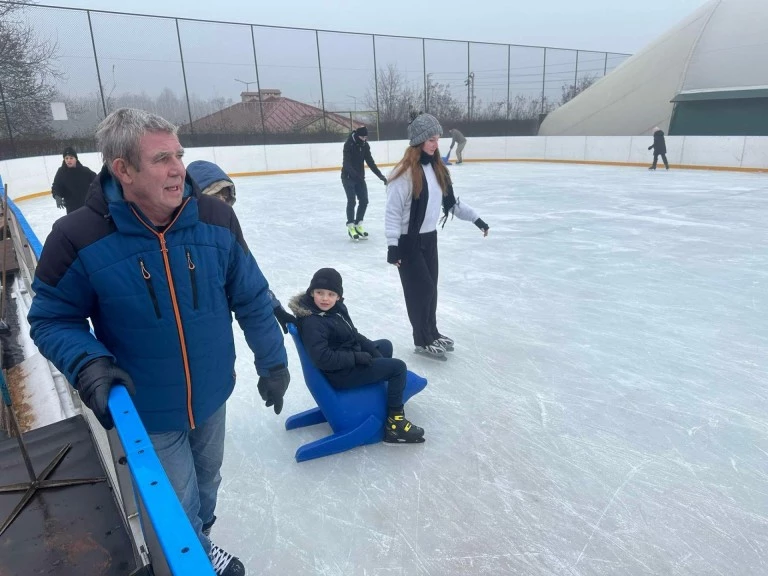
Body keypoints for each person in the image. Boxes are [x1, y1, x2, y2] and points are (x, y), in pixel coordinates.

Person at [28, 108, 292, 576]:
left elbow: (251, 296)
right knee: (177, 496)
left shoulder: (215, 219)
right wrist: (89, 362)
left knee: (207, 482)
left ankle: (196, 543)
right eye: (161, 158)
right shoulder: (78, 237)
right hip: (148, 407)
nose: (177, 169)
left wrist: (273, 363)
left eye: (180, 155)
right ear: (123, 170)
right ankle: (185, 559)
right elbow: (51, 318)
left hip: (212, 394)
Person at [385, 113, 489, 360]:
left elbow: (451, 204)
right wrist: (392, 247)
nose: (436, 144)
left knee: (432, 290)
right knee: (422, 291)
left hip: (429, 239)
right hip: (407, 241)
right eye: (431, 139)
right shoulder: (403, 173)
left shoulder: (437, 168)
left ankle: (431, 333)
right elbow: (392, 213)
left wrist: (477, 220)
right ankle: (421, 340)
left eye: (437, 138)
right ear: (419, 140)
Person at [288, 268, 425, 444]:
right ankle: (395, 423)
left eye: (331, 294)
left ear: (338, 296)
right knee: (398, 368)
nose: (325, 298)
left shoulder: (335, 310)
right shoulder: (313, 322)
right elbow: (323, 358)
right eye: (319, 293)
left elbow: (353, 334)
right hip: (340, 373)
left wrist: (372, 351)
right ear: (311, 292)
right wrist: (356, 358)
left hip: (345, 360)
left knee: (384, 345)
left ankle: (379, 399)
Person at [186, 159, 296, 333]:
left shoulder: (227, 234)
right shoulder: (174, 235)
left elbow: (249, 279)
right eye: (214, 196)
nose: (221, 202)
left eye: (225, 195)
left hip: (216, 336)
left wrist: (273, 306)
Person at [341, 125, 387, 241]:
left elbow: (370, 162)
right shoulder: (349, 144)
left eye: (366, 137)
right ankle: (351, 226)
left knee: (364, 201)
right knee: (352, 201)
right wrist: (355, 175)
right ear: (357, 135)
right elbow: (346, 163)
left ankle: (358, 224)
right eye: (362, 137)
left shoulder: (365, 145)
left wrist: (380, 176)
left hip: (359, 178)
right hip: (348, 177)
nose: (364, 139)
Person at [51, 146, 98, 213]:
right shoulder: (61, 172)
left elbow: (97, 180)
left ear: (76, 159)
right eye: (66, 158)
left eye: (71, 158)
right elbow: (56, 186)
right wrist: (57, 196)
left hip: (87, 206)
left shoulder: (84, 171)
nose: (68, 160)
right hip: (71, 208)